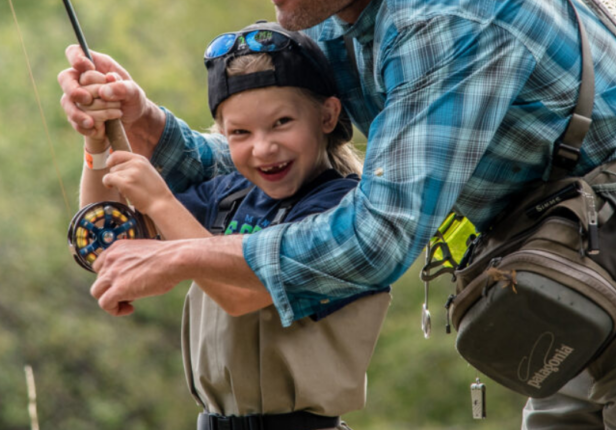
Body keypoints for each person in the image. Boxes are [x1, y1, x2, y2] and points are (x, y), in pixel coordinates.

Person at [59, 0, 616, 429]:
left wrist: (186, 255)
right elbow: (276, 155)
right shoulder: (348, 12)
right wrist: (141, 120)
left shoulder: (444, 19)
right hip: (587, 266)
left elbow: (378, 240)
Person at [74, 21, 389, 430]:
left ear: (327, 115)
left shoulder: (342, 209)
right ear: (223, 133)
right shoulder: (227, 195)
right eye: (240, 132)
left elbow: (242, 293)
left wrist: (159, 200)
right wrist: (97, 141)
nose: (263, 147)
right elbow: (105, 236)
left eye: (282, 123)